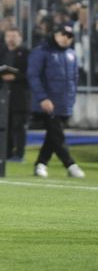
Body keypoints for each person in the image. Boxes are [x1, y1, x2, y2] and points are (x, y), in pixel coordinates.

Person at [28, 24, 85, 178]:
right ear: (54, 34)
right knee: (57, 134)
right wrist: (43, 98)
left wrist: (71, 99)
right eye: (63, 34)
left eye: (69, 36)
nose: (66, 38)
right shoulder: (41, 52)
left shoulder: (72, 54)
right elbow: (33, 76)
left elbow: (74, 79)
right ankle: (71, 164)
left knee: (52, 136)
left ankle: (41, 164)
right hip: (48, 102)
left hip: (65, 102)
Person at [0, 28, 30, 162]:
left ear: (20, 38)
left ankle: (19, 153)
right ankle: (7, 153)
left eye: (14, 36)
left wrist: (15, 77)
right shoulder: (0, 53)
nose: (11, 39)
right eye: (8, 36)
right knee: (5, 125)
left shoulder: (27, 54)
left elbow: (32, 75)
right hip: (3, 96)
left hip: (20, 96)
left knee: (18, 126)